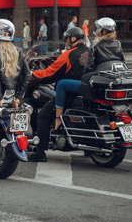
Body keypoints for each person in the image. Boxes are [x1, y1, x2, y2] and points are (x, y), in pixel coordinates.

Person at [28, 27, 90, 162]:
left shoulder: (68, 54)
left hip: (70, 94)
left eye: (67, 38)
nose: (66, 41)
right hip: (87, 94)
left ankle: (40, 152)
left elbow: (51, 73)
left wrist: (33, 74)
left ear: (72, 38)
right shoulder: (90, 52)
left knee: (43, 115)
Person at [53, 18, 124, 129]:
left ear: (103, 31)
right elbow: (122, 62)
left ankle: (58, 118)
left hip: (95, 86)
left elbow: (88, 68)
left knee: (61, 83)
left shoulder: (96, 46)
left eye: (98, 30)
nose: (97, 32)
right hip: (112, 85)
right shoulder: (118, 45)